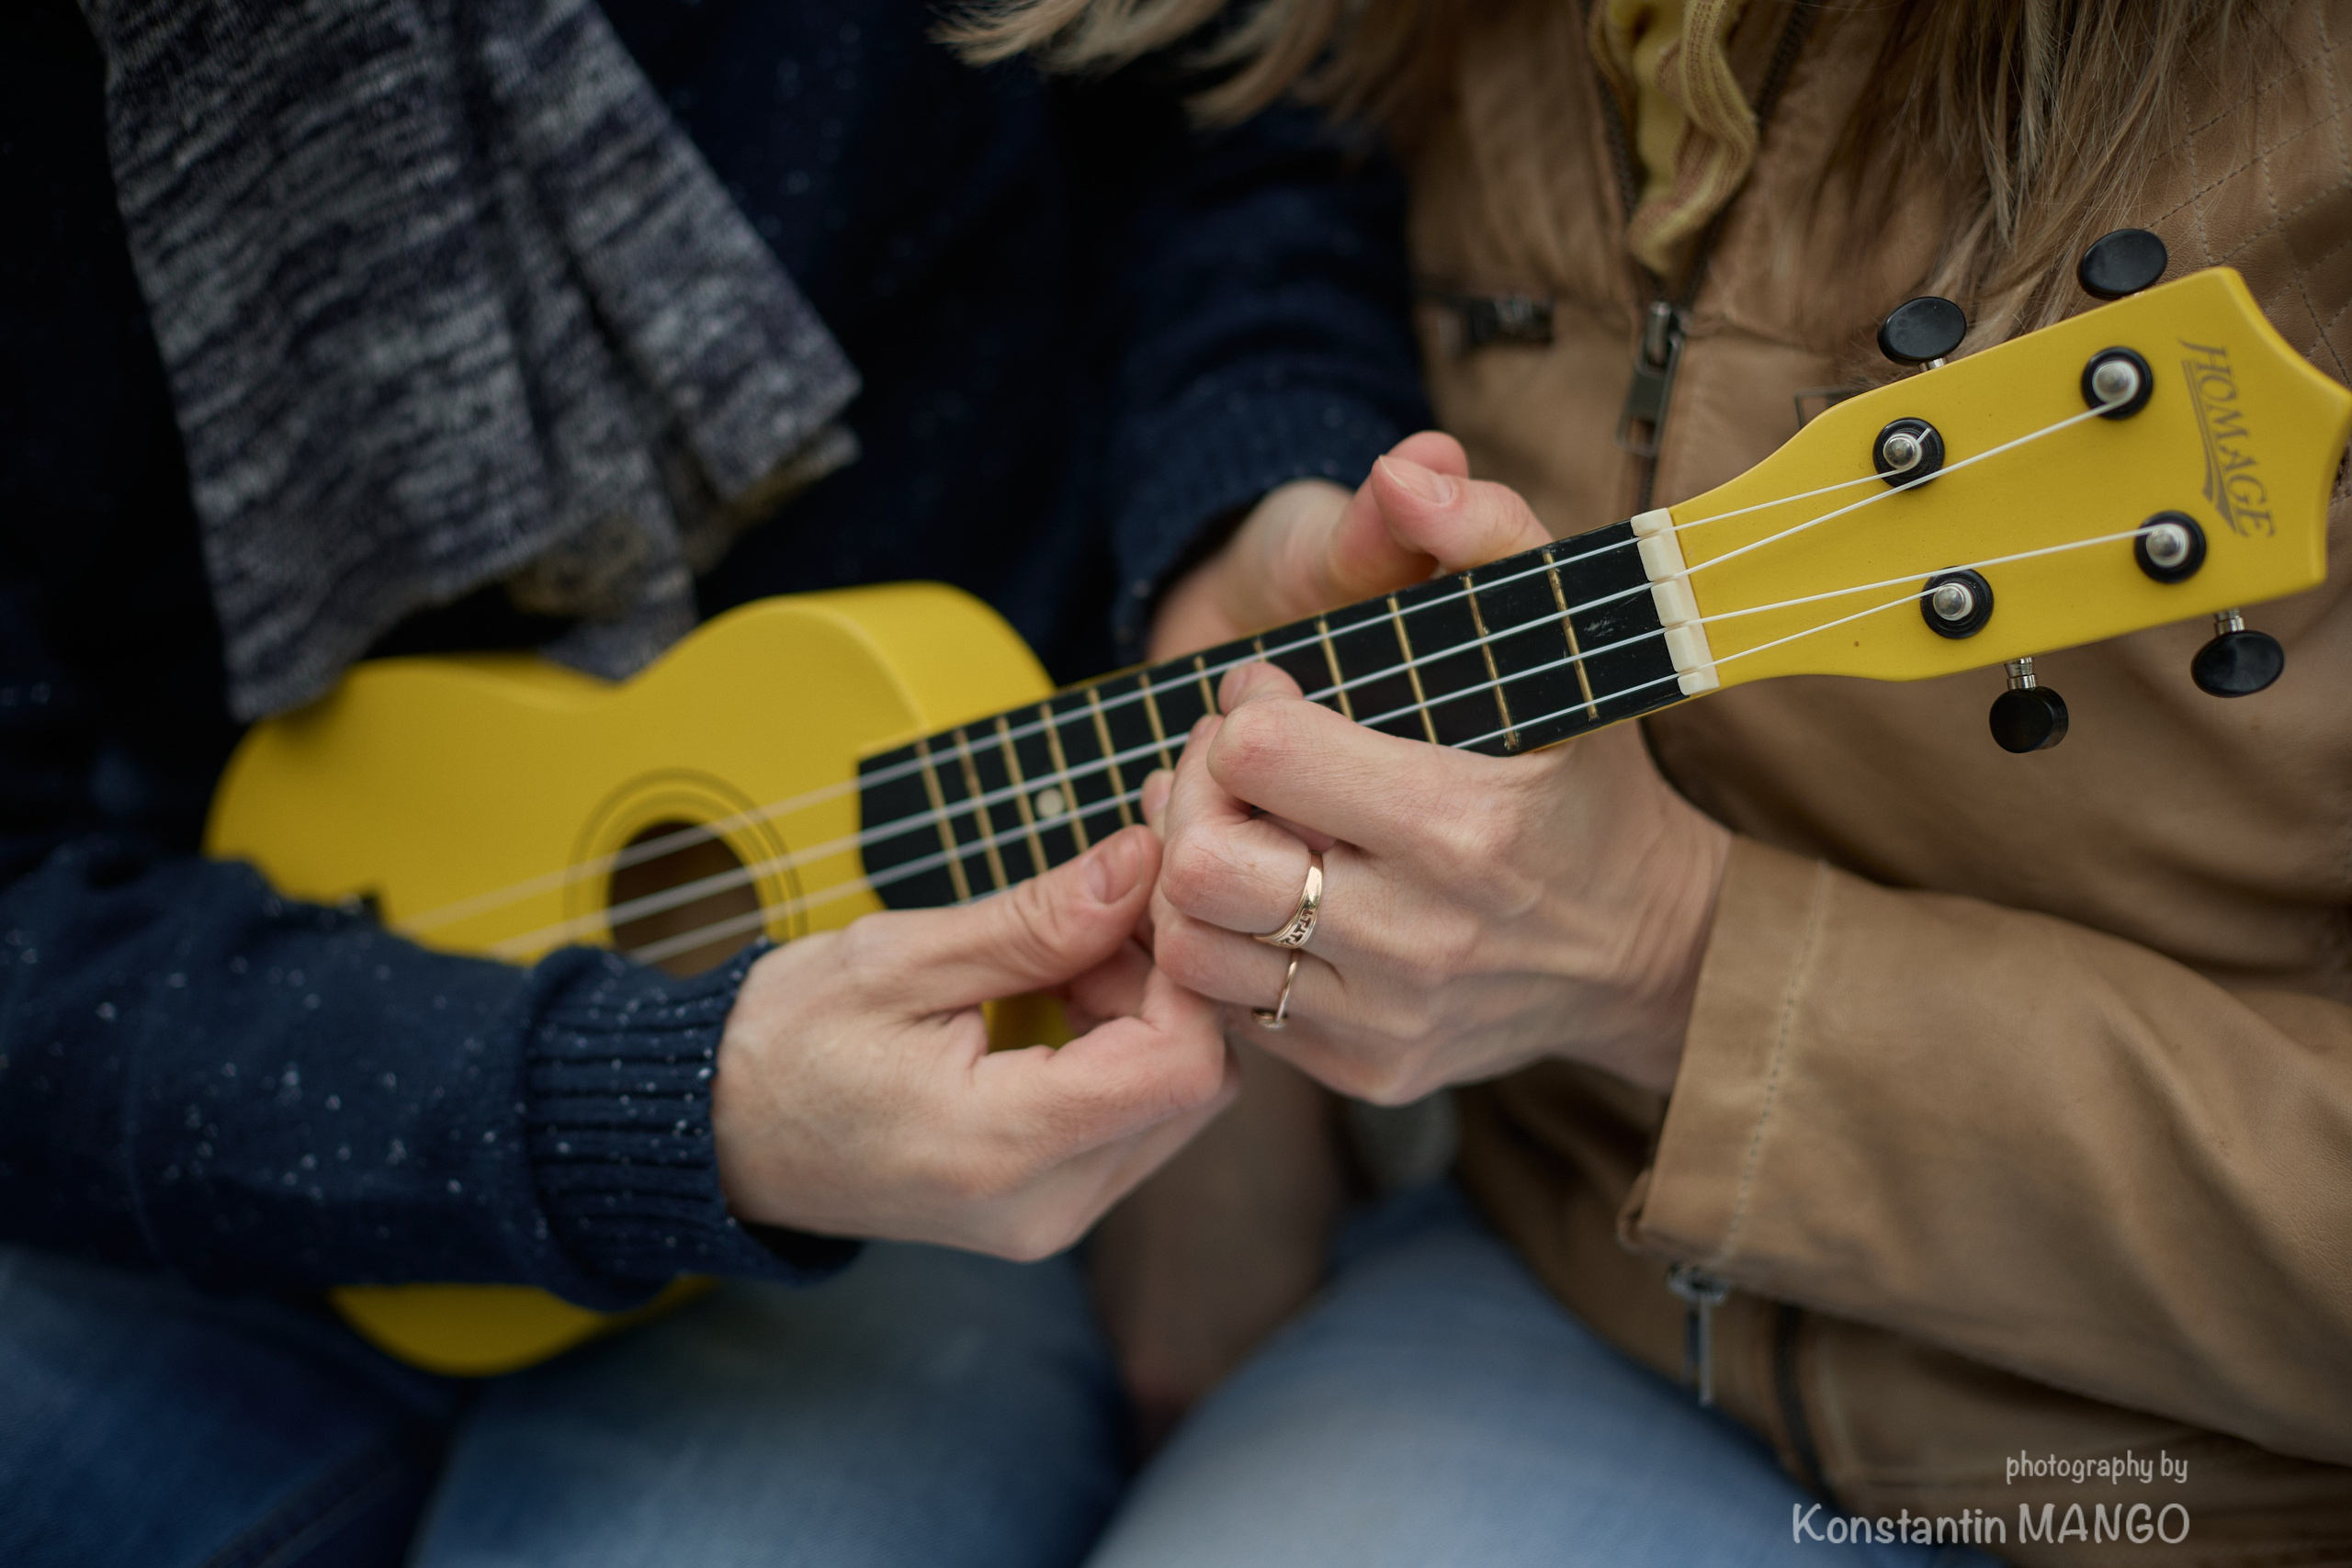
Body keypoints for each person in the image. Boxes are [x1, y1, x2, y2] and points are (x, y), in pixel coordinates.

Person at [0, 0, 1431, 1563]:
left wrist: (1241, 499)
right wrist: (683, 1107)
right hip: (207, 1077)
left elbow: (1235, 114)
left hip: (962, 1128)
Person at [959, 0, 2352, 1562]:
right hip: (1588, 1296)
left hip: (2223, 1488)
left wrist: (1673, 962)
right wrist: (1251, 530)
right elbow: (1243, 189)